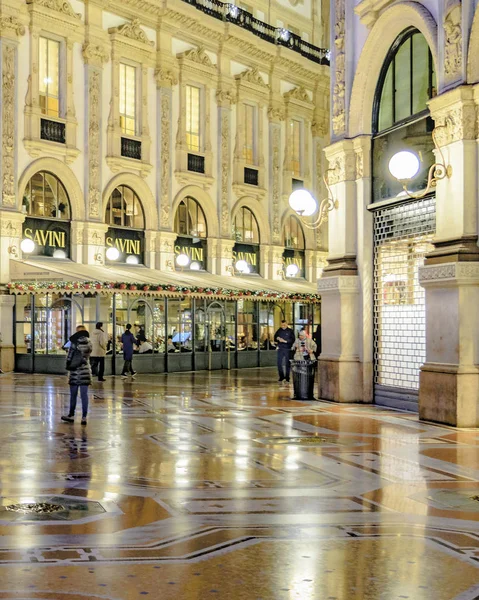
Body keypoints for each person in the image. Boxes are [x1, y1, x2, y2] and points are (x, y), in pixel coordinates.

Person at [61, 325, 92, 425]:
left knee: (73, 395)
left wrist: (68, 367)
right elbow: (87, 356)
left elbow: (69, 357)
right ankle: (84, 417)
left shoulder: (74, 343)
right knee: (84, 395)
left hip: (75, 371)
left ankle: (71, 415)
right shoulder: (89, 343)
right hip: (85, 371)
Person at [274, 320, 295, 384]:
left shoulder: (290, 331)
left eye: (284, 325)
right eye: (282, 325)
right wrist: (277, 338)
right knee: (279, 363)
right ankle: (281, 376)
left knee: (287, 364)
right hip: (280, 348)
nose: (283, 326)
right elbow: (275, 337)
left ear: (287, 324)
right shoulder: (279, 330)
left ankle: (287, 377)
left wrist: (285, 341)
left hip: (287, 349)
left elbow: (293, 339)